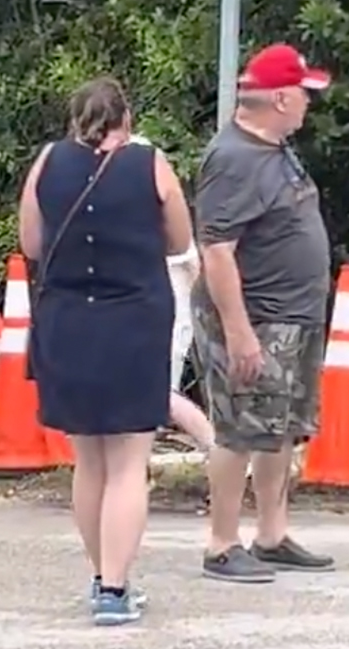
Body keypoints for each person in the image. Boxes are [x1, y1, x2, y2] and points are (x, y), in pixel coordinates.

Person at [18, 77, 193, 626]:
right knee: (128, 465)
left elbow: (31, 243)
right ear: (127, 118)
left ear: (74, 120)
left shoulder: (47, 163)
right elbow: (180, 240)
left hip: (67, 322)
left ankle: (100, 577)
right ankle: (116, 590)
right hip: (134, 320)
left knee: (88, 461)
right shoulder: (151, 164)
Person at [193, 43, 337, 583]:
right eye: (303, 94)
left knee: (278, 429)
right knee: (241, 427)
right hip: (258, 319)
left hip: (293, 316)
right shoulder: (232, 159)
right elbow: (217, 251)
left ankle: (271, 534)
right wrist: (239, 333)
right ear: (279, 98)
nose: (307, 104)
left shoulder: (274, 147)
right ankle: (221, 542)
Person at [129, 134, 216, 456]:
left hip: (169, 309)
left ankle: (216, 448)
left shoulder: (158, 217)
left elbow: (189, 263)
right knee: (146, 393)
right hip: (149, 310)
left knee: (158, 392)